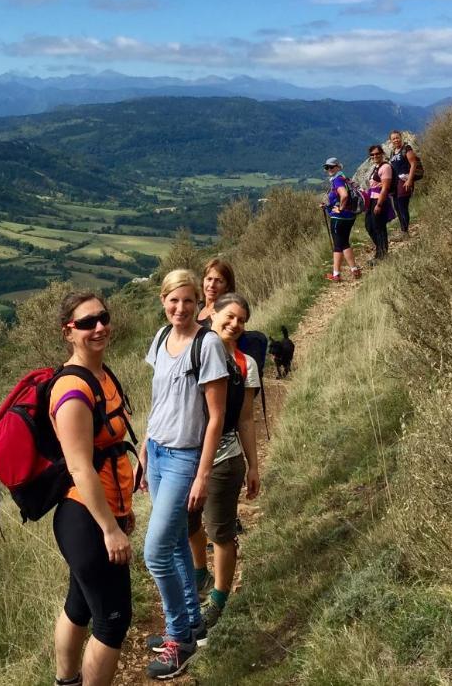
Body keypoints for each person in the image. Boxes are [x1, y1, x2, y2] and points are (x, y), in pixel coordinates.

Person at [140, 269, 228, 679]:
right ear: (163, 301)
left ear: (198, 304)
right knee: (175, 543)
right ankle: (192, 623)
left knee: (155, 552)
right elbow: (159, 400)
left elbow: (215, 417)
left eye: (188, 301)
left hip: (184, 458)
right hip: (157, 452)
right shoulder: (160, 337)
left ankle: (179, 641)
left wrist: (202, 473)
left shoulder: (207, 345)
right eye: (173, 301)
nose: (180, 308)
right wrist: (144, 448)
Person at [50, 292, 136, 686]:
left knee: (80, 604)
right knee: (113, 619)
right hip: (85, 517)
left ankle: (65, 681)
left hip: (100, 511)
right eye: (86, 323)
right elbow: (80, 468)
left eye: (103, 317)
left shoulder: (101, 374)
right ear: (69, 332)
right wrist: (110, 528)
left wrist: (122, 510)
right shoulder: (72, 389)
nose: (99, 327)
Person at [189, 293, 261, 635]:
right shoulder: (192, 349)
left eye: (241, 321)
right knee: (189, 525)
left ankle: (217, 601)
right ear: (212, 314)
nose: (235, 324)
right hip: (185, 458)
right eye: (229, 317)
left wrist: (254, 465)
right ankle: (201, 575)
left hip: (223, 460)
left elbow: (246, 419)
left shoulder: (246, 364)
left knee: (220, 532)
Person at [322, 157, 361, 282]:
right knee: (340, 243)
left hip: (339, 217)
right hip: (350, 216)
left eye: (332, 167)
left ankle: (351, 270)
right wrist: (328, 205)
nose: (329, 169)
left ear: (338, 166)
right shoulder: (344, 178)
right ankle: (338, 273)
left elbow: (344, 195)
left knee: (341, 244)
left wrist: (340, 208)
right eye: (327, 167)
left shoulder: (337, 180)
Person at [363, 144, 393, 260]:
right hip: (372, 200)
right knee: (369, 226)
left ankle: (382, 254)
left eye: (377, 154)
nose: (375, 156)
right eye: (372, 154)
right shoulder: (376, 167)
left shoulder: (385, 167)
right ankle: (380, 250)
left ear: (382, 154)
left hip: (379, 200)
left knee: (379, 227)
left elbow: (385, 188)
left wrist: (379, 204)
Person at [389, 130, 419, 237]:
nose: (396, 140)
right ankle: (403, 230)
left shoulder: (406, 149)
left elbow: (413, 164)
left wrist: (410, 180)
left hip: (404, 182)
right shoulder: (393, 152)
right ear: (391, 141)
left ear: (401, 137)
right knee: (397, 207)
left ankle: (405, 231)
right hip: (395, 184)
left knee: (403, 207)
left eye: (397, 137)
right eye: (393, 139)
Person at [197, 258, 235, 328]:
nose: (212, 285)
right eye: (209, 279)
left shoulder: (226, 314)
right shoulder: (196, 308)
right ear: (203, 281)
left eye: (218, 281)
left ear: (227, 286)